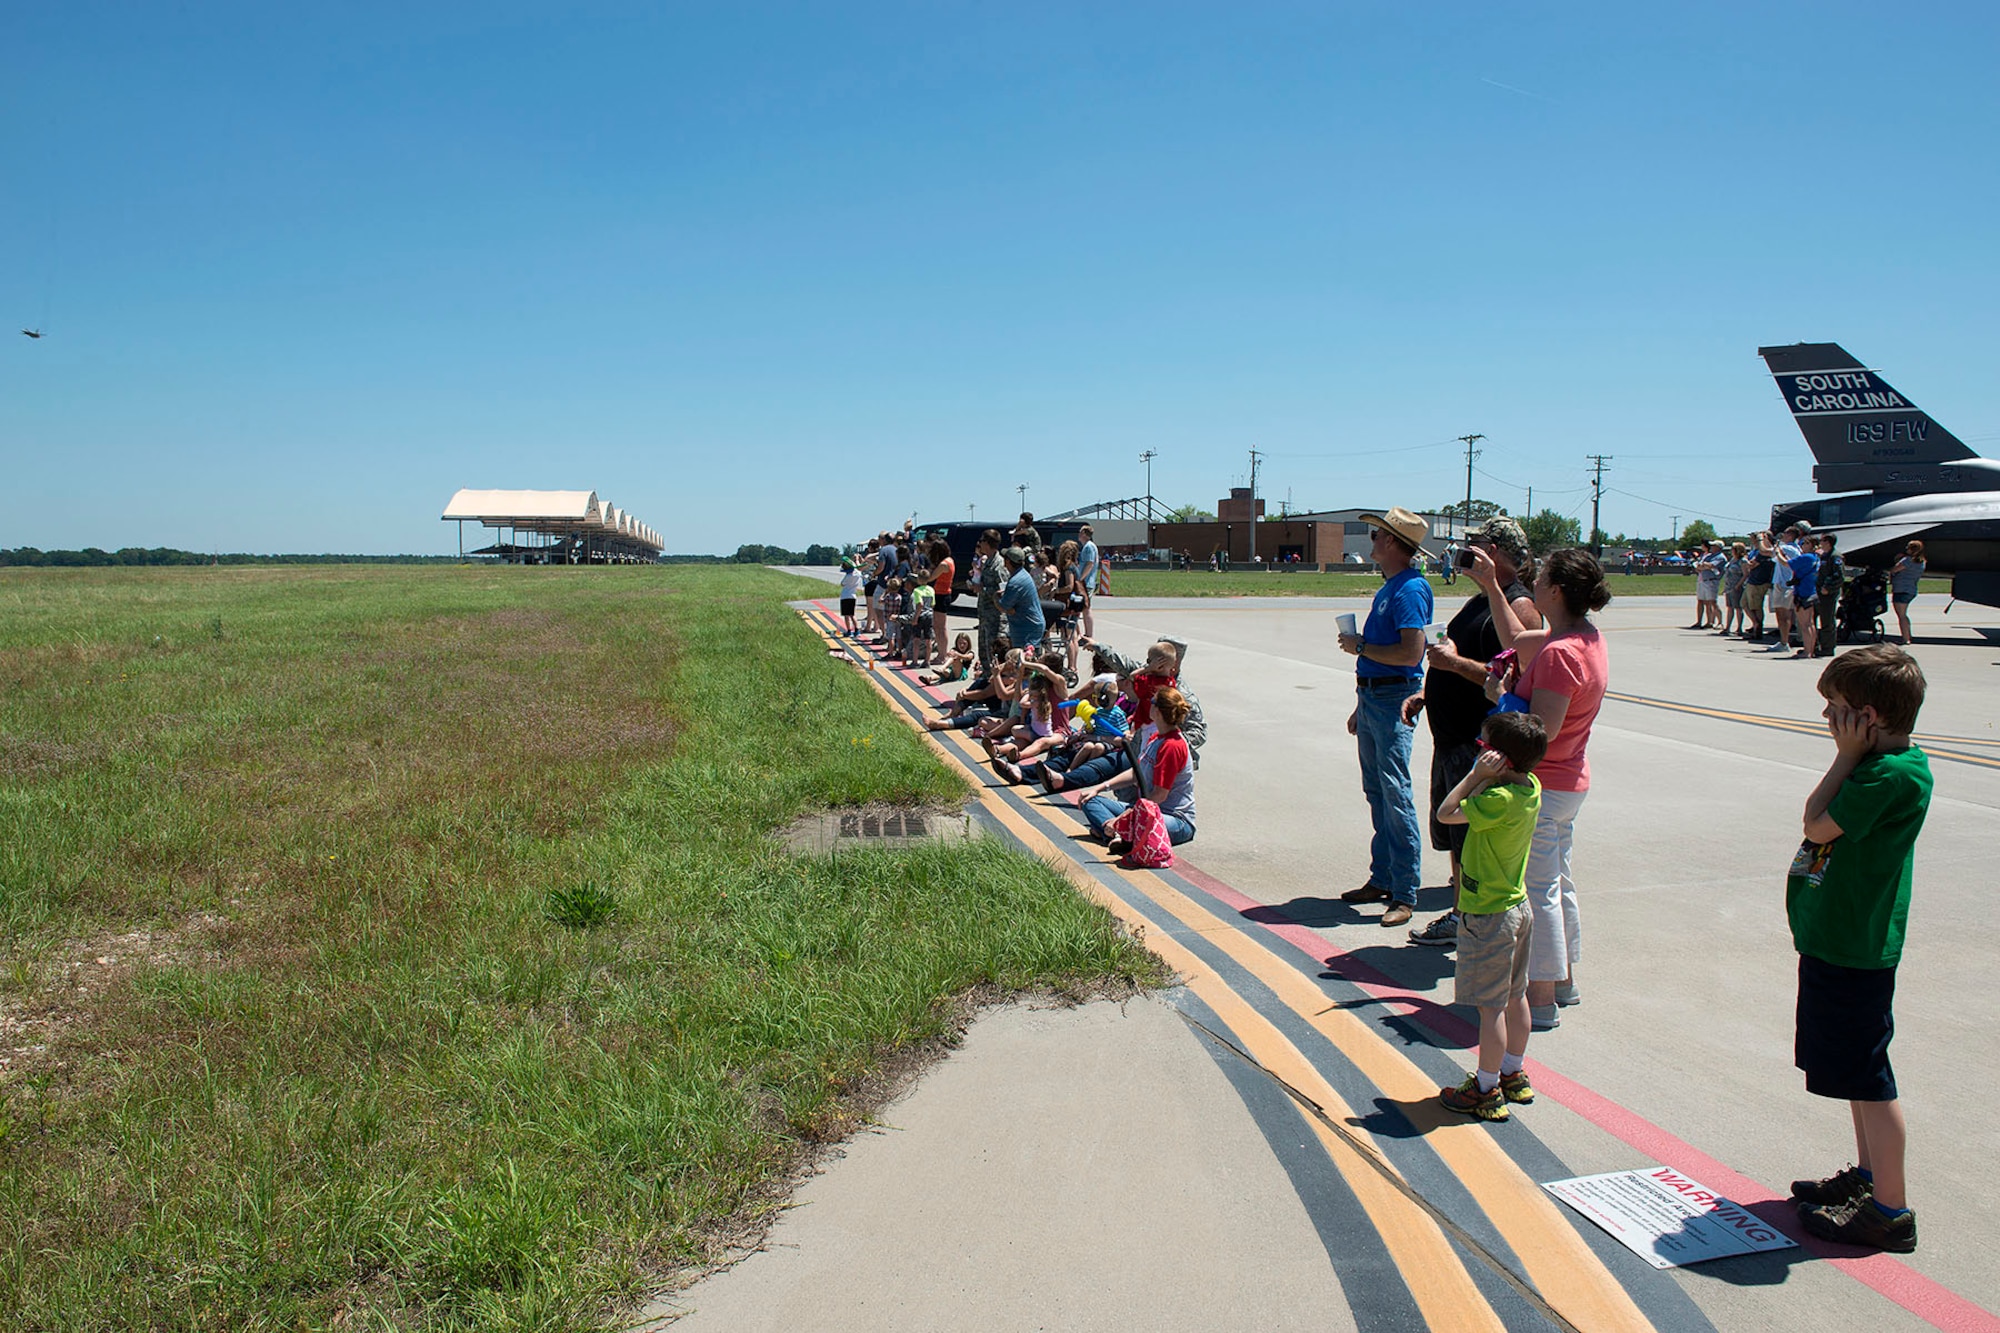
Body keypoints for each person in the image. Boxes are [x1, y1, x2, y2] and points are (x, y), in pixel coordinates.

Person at [1786, 645, 1932, 1253]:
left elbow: (1815, 823)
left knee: (1870, 1077)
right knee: (1851, 1071)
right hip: (1835, 940)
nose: (1828, 717)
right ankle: (1871, 1179)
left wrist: (1843, 759)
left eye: (1837, 708)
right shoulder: (1877, 767)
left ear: (1867, 718)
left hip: (1855, 946)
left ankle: (1891, 1211)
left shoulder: (1889, 774)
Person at [1465, 545, 1611, 1030]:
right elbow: (1518, 639)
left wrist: (1501, 695)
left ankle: (1541, 997)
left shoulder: (1561, 654)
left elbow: (1541, 730)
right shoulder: (1580, 638)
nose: (1535, 579)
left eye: (1542, 576)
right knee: (1558, 881)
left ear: (1555, 591)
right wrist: (1490, 585)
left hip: (1545, 785)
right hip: (1569, 782)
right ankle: (1564, 981)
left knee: (1539, 889)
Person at [1405, 517, 1543, 947]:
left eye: (1478, 545)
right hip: (1450, 736)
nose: (1469, 552)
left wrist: (1453, 665)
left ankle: (1467, 916)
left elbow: (1509, 678)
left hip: (1475, 739)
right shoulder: (1480, 600)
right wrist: (1429, 691)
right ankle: (1461, 909)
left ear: (1497, 552)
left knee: (1468, 833)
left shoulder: (1518, 607)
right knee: (1452, 836)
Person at [1436, 712, 1549, 1121]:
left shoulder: (1494, 801)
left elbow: (1447, 813)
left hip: (1488, 915)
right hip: (1519, 908)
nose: (1479, 752)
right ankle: (1512, 1072)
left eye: (1483, 747)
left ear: (1501, 757)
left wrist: (1471, 777)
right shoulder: (1530, 787)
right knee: (1515, 995)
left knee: (1489, 1008)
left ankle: (1485, 1089)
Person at [1336, 507, 1434, 929]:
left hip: (1395, 700)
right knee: (1378, 791)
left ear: (1393, 542)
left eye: (1377, 534)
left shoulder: (1410, 589)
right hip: (1374, 698)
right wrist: (1362, 702)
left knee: (1395, 793)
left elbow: (1411, 654)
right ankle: (1383, 877)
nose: (1372, 540)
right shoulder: (1391, 587)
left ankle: (1405, 891)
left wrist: (1359, 647)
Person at [1075, 687, 1197, 847]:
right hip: (1144, 810)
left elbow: (1159, 795)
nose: (1148, 705)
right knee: (1090, 800)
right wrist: (1099, 788)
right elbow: (1135, 773)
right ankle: (1115, 833)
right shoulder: (1156, 737)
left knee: (1136, 820)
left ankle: (1114, 831)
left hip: (1174, 819)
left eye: (1152, 702)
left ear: (1158, 711)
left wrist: (1124, 818)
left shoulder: (1172, 746)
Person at [998, 546, 1046, 651]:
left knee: (1025, 662)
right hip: (1030, 626)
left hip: (1027, 628)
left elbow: (1003, 607)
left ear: (1008, 561)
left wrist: (995, 597)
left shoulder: (1015, 581)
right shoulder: (1023, 575)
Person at [972, 529, 1006, 664]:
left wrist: (984, 589)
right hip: (985, 615)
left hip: (995, 616)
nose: (979, 544)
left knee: (993, 651)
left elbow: (1003, 589)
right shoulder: (987, 562)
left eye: (981, 541)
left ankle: (994, 680)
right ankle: (987, 678)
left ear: (987, 543)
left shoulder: (999, 564)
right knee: (984, 651)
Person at [1790, 537, 1822, 660]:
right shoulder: (1816, 558)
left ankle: (1807, 651)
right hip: (1811, 591)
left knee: (1805, 625)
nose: (1803, 545)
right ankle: (1811, 649)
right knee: (1810, 623)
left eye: (1806, 543)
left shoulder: (1806, 557)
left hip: (1803, 593)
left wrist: (1778, 553)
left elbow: (1788, 564)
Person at [1889, 540, 1926, 644]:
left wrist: (1897, 559)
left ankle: (1905, 638)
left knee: (1901, 615)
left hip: (1901, 589)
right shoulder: (1922, 561)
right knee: (1904, 614)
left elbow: (1894, 570)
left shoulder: (1907, 561)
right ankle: (1908, 635)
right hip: (1911, 589)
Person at [1814, 533, 1844, 658]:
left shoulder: (1835, 556)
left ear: (1828, 542)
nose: (1820, 543)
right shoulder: (1825, 556)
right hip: (1819, 593)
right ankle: (1817, 644)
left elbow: (1838, 576)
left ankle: (1828, 647)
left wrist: (1827, 587)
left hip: (1828, 594)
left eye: (1822, 540)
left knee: (1827, 620)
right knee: (1816, 618)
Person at [1742, 537, 1773, 642]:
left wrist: (1747, 562)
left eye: (1756, 540)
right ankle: (1755, 623)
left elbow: (1751, 565)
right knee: (1745, 604)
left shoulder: (1763, 553)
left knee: (1756, 607)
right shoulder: (1755, 552)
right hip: (1752, 581)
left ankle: (1758, 629)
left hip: (1759, 582)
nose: (1753, 542)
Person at [1720, 542, 1748, 637]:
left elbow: (1745, 574)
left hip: (1737, 587)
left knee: (1738, 608)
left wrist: (1738, 585)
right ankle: (1727, 627)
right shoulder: (1732, 560)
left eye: (1733, 549)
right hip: (1729, 587)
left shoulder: (1743, 561)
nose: (1731, 551)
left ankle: (1739, 628)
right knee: (1730, 607)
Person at [837, 557, 863, 635]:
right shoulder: (858, 574)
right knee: (852, 614)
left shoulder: (847, 576)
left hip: (845, 596)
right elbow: (857, 568)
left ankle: (849, 631)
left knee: (846, 615)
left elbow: (842, 584)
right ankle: (857, 630)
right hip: (853, 596)